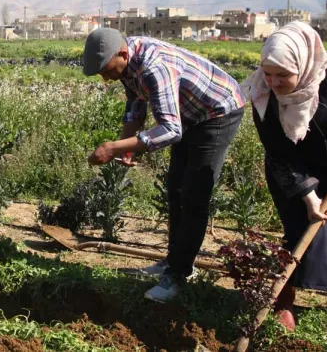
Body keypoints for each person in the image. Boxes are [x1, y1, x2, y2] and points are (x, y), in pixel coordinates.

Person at [81, 28, 245, 303]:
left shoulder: (154, 67)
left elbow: (170, 130)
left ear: (122, 54)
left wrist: (113, 147)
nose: (106, 78)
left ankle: (179, 275)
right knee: (176, 189)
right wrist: (127, 144)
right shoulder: (127, 60)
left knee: (194, 194)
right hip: (189, 114)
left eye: (108, 71)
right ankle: (172, 262)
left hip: (217, 111)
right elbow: (135, 103)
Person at [245, 22, 327, 330]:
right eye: (268, 72)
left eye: (283, 75)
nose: (273, 82)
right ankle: (284, 302)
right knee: (298, 230)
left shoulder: (326, 82)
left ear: (303, 66)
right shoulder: (263, 95)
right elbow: (279, 151)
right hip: (291, 170)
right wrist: (309, 195)